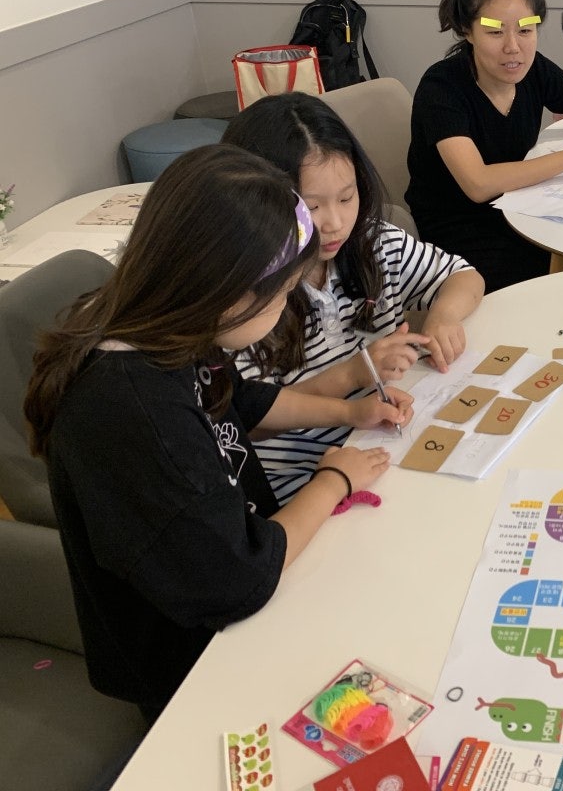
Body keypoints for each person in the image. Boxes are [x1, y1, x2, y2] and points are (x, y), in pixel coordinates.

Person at [23, 146, 412, 718]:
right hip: (193, 665)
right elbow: (240, 579)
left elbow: (236, 402)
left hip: (234, 574)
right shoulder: (135, 414)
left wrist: (348, 414)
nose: (286, 307)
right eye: (282, 295)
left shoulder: (164, 322)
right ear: (224, 290)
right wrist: (333, 481)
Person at [223, 93, 485, 503]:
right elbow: (246, 420)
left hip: (382, 441)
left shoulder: (371, 242)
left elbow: (463, 276)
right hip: (303, 481)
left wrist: (442, 316)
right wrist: (353, 375)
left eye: (347, 198)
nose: (335, 223)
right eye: (311, 207)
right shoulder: (246, 299)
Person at [405, 0, 563, 292]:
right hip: (460, 228)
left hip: (520, 206)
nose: (513, 47)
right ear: (467, 30)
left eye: (526, 30)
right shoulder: (441, 87)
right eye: (495, 32)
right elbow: (477, 185)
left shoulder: (534, 70)